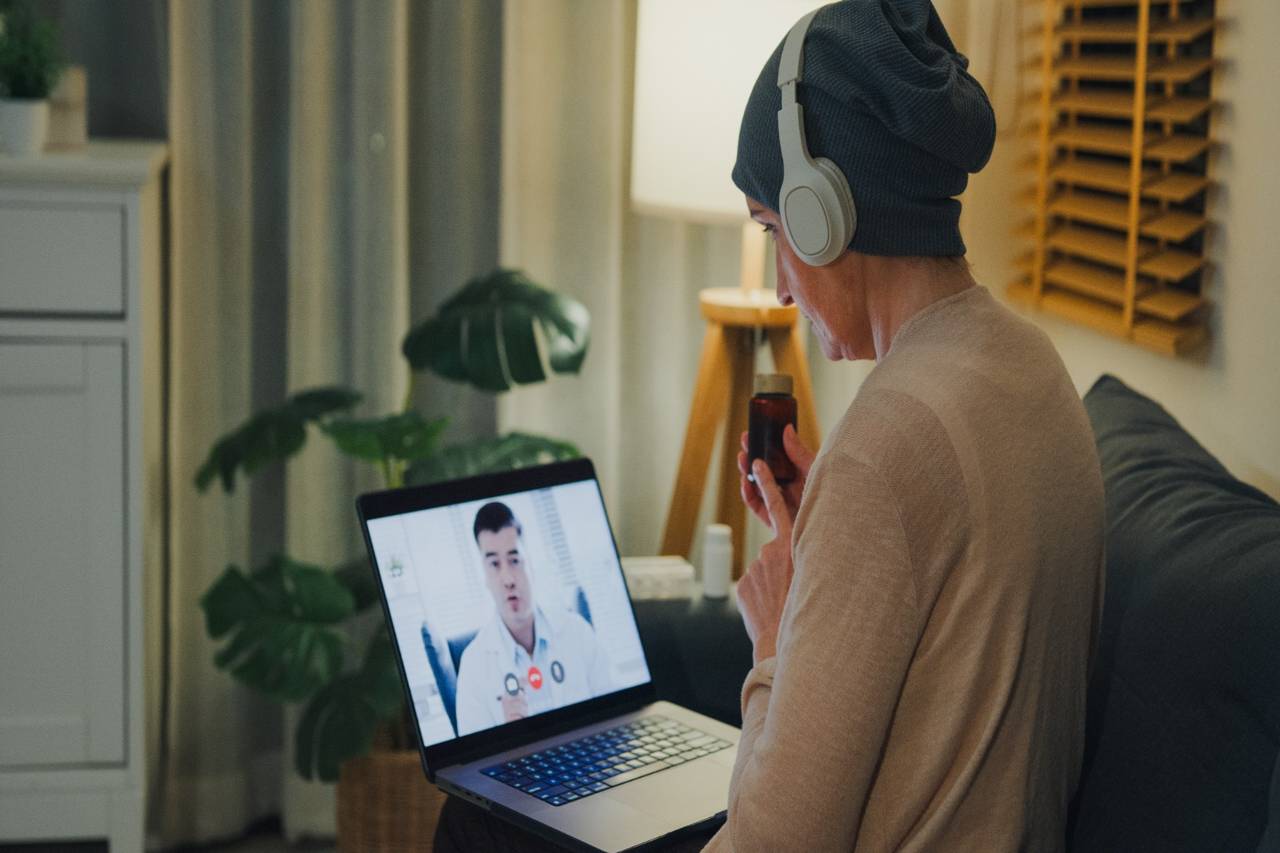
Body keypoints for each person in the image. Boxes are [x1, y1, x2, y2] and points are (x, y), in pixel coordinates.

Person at [703, 2, 1105, 851]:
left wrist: (774, 639)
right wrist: (829, 548)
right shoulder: (1034, 369)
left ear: (824, 211)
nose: (781, 283)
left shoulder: (882, 450)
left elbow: (772, 843)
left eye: (775, 228)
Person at [453, 501, 613, 737]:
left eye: (514, 560)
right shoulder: (473, 666)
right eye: (494, 564)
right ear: (483, 575)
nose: (508, 578)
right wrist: (507, 736)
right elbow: (470, 768)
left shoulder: (578, 631)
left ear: (532, 563)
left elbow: (618, 716)